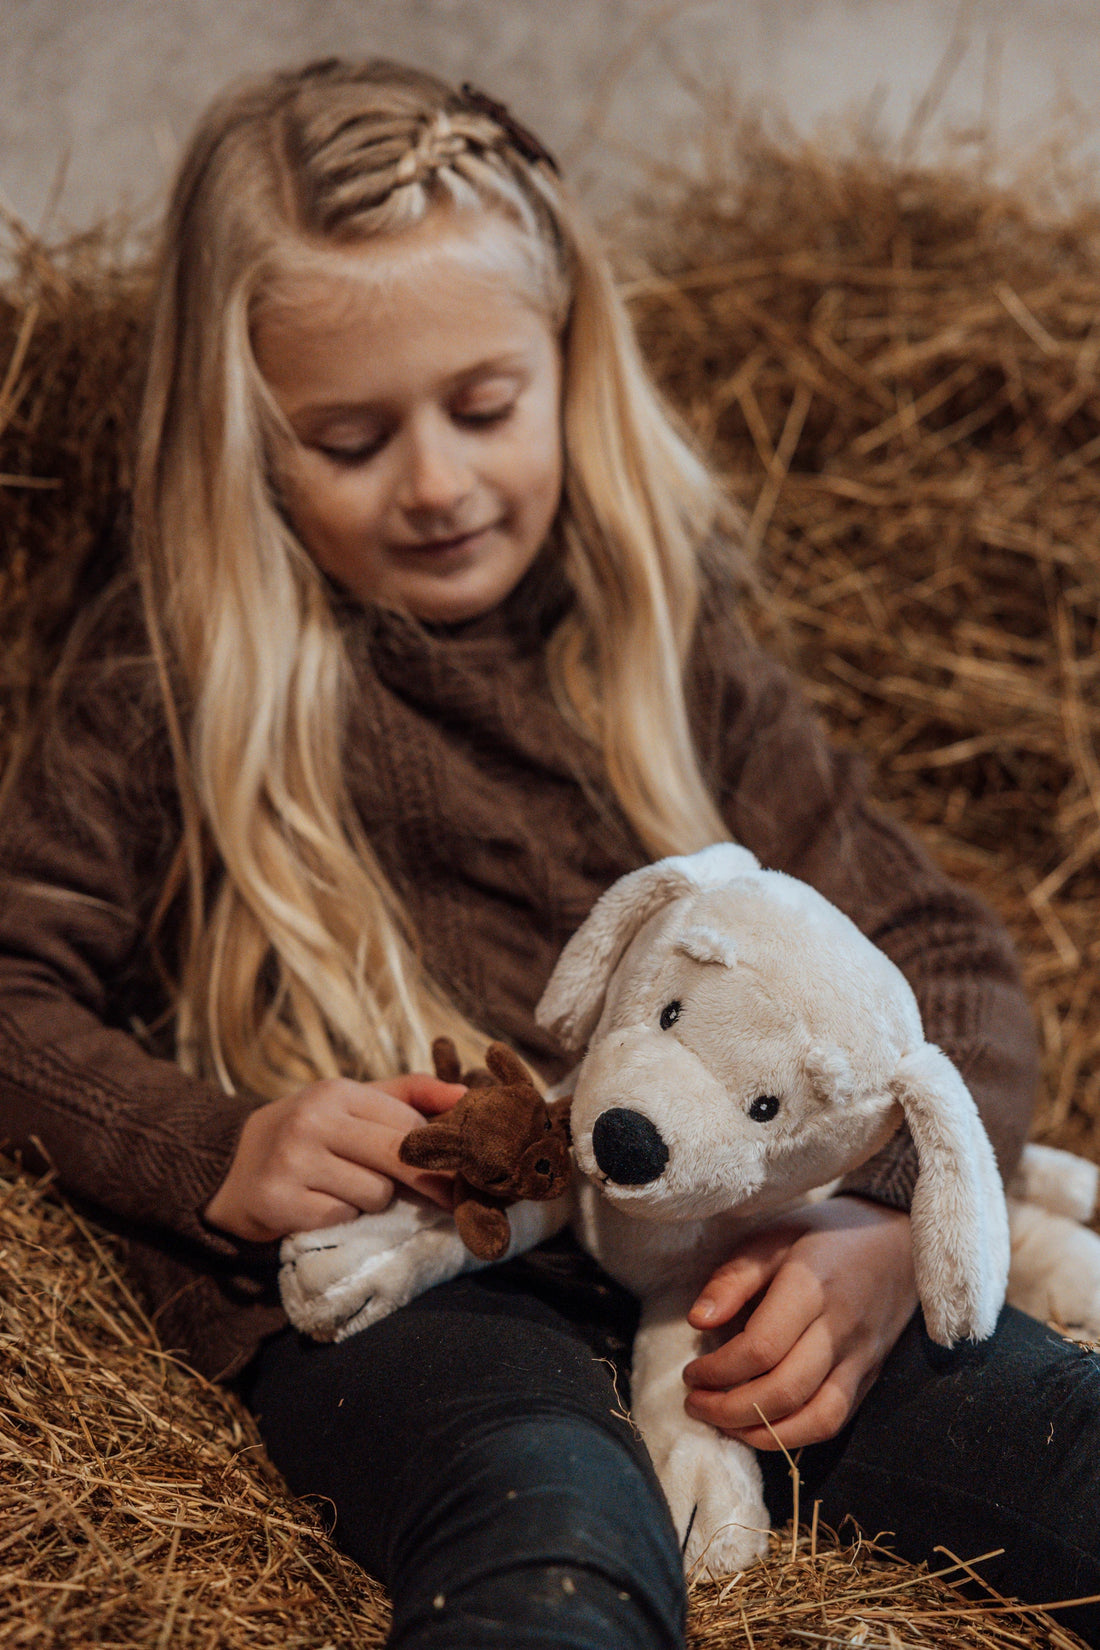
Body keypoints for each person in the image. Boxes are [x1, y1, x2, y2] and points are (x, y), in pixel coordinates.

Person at [0, 56, 1097, 1650]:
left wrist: (874, 1224)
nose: (438, 482)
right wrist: (214, 1147)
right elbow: (13, 979)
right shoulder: (167, 677)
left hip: (727, 1255)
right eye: (350, 437)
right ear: (239, 436)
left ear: (567, 367)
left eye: (485, 407)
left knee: (1070, 1441)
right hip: (427, 1280)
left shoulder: (660, 633)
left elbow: (952, 964)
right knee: (550, 1546)